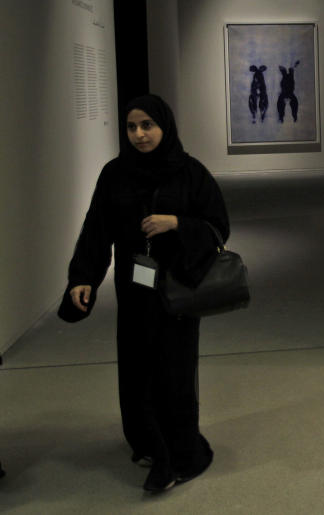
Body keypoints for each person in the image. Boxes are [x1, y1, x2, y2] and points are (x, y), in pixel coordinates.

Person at [59, 94, 229, 493]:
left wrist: (177, 223)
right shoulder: (115, 174)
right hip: (136, 289)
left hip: (180, 288)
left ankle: (180, 450)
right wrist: (83, 277)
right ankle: (149, 441)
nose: (139, 134)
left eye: (147, 125)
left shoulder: (190, 173)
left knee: (175, 370)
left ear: (164, 127)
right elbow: (96, 229)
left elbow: (219, 225)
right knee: (137, 368)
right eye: (132, 127)